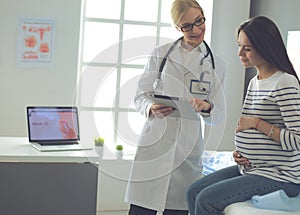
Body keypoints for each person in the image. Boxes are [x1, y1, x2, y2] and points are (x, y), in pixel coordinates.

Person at [185, 15, 300, 215]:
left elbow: (297, 139)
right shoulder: (255, 81)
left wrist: (256, 123)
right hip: (252, 168)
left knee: (206, 200)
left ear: (265, 47)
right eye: (239, 45)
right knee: (193, 192)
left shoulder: (285, 83)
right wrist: (242, 154)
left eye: (247, 48)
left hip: (281, 176)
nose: (239, 53)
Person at [124, 0, 226, 214]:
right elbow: (140, 96)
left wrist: (206, 107)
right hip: (156, 144)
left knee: (177, 210)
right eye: (187, 26)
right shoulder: (160, 55)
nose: (196, 29)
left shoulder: (217, 65)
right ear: (177, 28)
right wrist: (150, 107)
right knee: (142, 209)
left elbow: (218, 116)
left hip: (187, 151)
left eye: (199, 21)